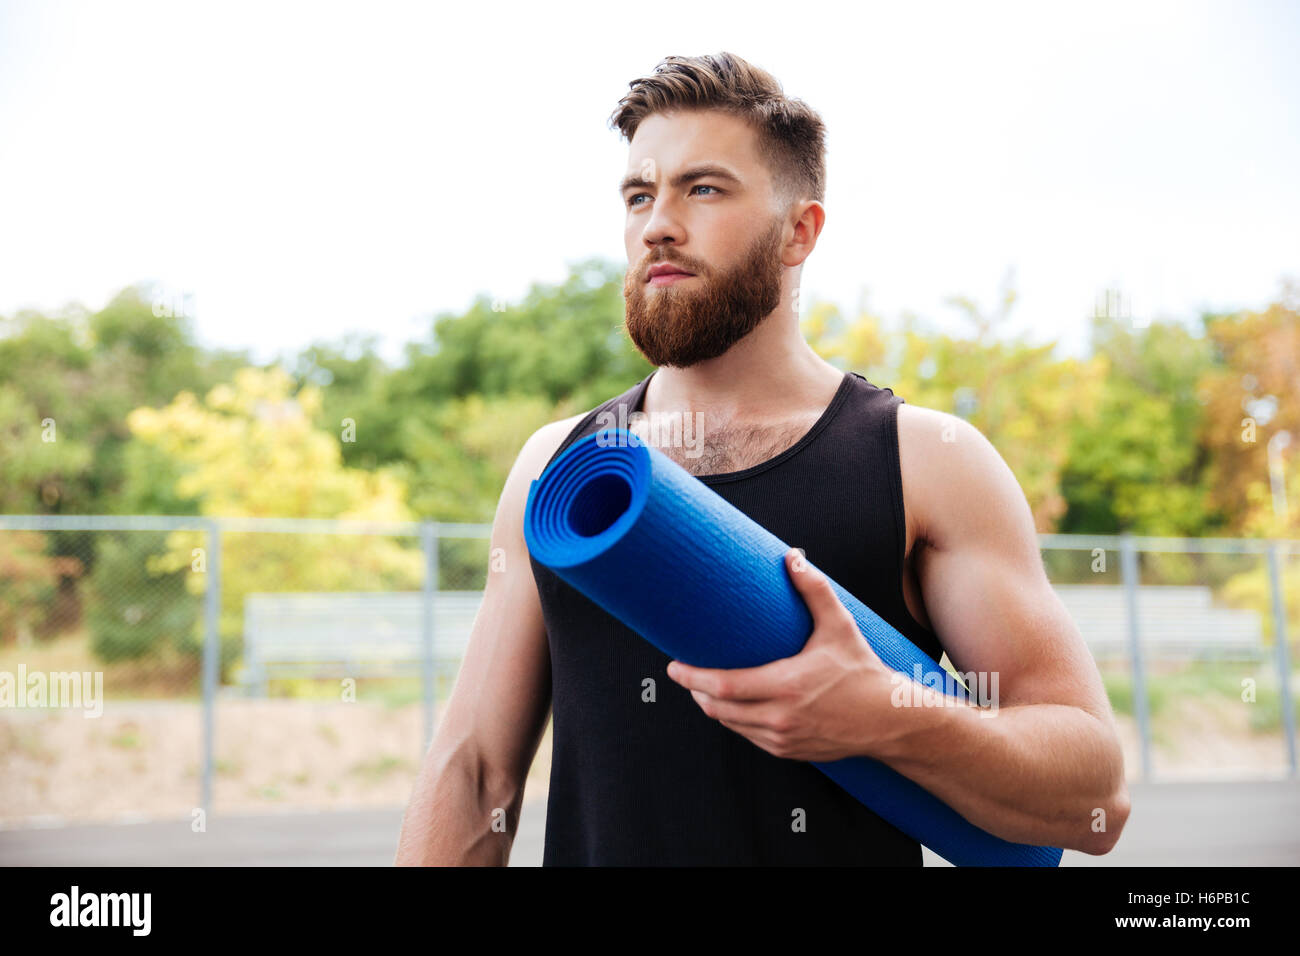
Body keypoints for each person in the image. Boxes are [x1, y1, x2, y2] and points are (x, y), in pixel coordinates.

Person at [395, 51, 1129, 866]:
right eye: (640, 195)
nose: (657, 225)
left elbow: (1096, 800)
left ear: (799, 231)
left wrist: (890, 713)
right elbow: (474, 773)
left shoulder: (925, 462)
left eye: (702, 189)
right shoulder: (558, 470)